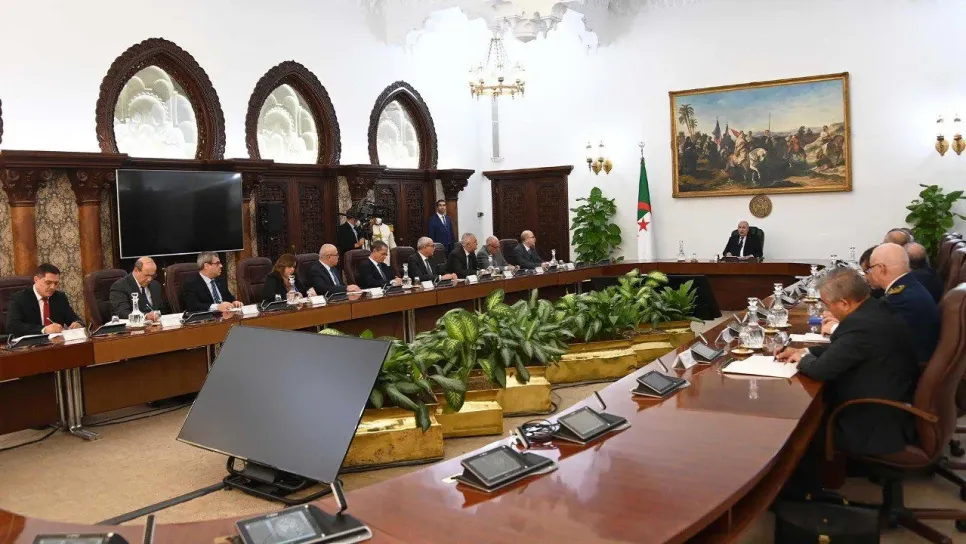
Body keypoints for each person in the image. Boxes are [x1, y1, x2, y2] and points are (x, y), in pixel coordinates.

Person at [775, 268, 918, 497]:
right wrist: (805, 351)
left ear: (844, 303)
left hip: (872, 421)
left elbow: (821, 370)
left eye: (827, 304)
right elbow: (845, 350)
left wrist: (803, 359)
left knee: (798, 429)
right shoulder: (877, 309)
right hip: (892, 402)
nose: (826, 311)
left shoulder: (860, 326)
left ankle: (802, 497)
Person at [865, 243, 940, 363]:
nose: (870, 273)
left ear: (881, 268)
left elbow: (870, 331)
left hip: (905, 365)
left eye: (871, 269)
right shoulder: (908, 286)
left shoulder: (902, 298)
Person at [6, 263, 84, 337]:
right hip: (30, 344)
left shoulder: (60, 297)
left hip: (56, 342)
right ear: (36, 279)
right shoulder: (19, 298)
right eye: (48, 283)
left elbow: (74, 318)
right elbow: (13, 326)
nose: (53, 287)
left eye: (56, 283)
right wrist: (44, 329)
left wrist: (77, 324)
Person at [109, 256, 165, 321]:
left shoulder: (155, 285)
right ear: (136, 270)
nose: (149, 279)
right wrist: (145, 316)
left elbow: (162, 309)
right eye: (146, 275)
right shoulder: (119, 286)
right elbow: (122, 313)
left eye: (152, 275)